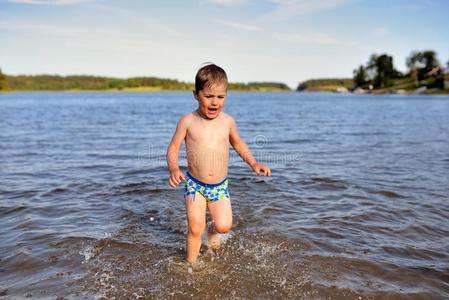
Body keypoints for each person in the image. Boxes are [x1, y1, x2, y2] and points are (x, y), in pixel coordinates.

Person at [166, 63, 271, 264]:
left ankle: (210, 232)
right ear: (196, 95)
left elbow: (239, 144)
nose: (215, 102)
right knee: (195, 228)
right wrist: (173, 168)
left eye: (220, 97)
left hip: (219, 187)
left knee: (223, 226)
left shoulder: (227, 121)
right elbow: (173, 147)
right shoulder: (188, 121)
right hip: (194, 185)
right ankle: (191, 266)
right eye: (209, 96)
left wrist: (253, 163)